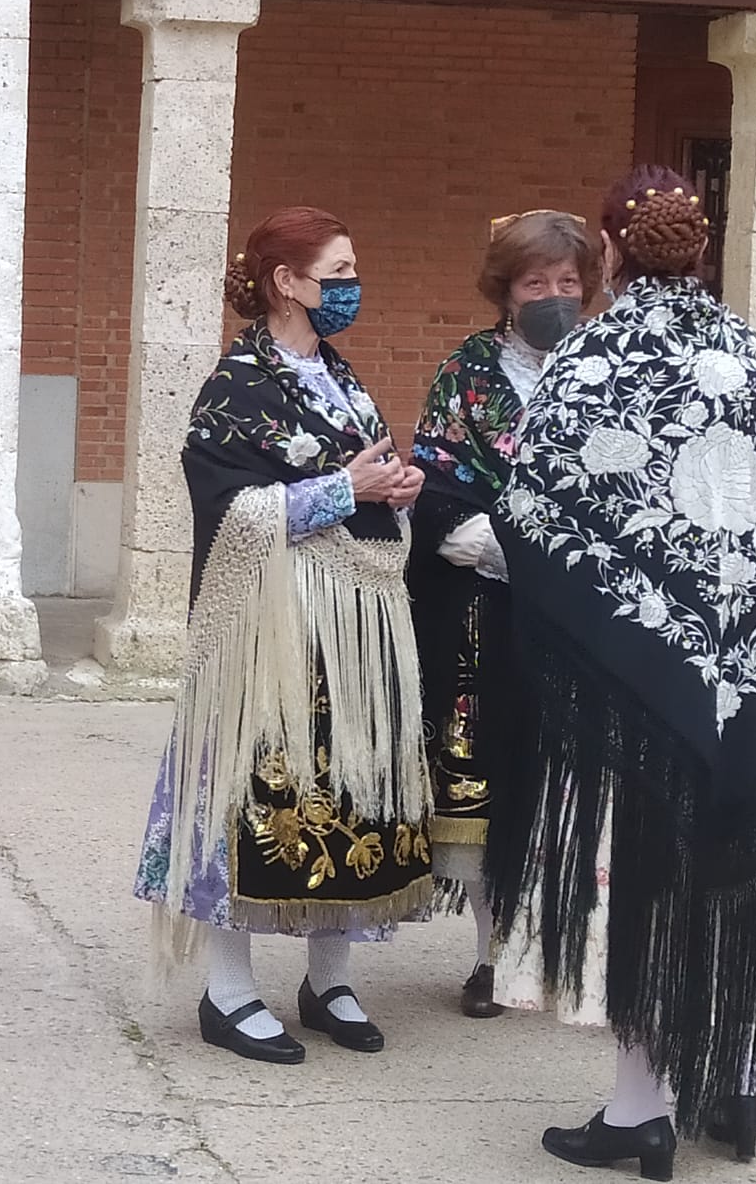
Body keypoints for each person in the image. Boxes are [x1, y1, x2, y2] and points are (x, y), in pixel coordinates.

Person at [487, 167, 756, 1178]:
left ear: (608, 245)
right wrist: (745, 621)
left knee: (645, 868)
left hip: (634, 671)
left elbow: (532, 508)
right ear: (700, 248)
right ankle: (735, 1080)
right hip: (748, 658)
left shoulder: (591, 357)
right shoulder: (751, 354)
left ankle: (639, 1110)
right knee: (738, 851)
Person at [135, 206, 434, 1065]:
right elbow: (225, 510)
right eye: (336, 272)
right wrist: (343, 491)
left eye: (350, 271)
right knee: (257, 794)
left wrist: (394, 485)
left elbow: (362, 474)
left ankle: (328, 979)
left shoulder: (341, 378)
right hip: (273, 630)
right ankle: (228, 993)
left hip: (357, 620)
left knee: (347, 794)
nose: (350, 287)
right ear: (286, 283)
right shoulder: (236, 388)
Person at [407, 210, 598, 1020]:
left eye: (567, 283)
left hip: (587, 624)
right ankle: (492, 953)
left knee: (574, 786)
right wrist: (523, 549)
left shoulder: (607, 372)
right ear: (505, 291)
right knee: (486, 787)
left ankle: (569, 950)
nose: (553, 296)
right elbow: (438, 494)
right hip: (489, 618)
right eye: (535, 283)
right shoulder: (469, 374)